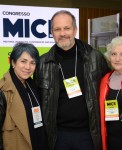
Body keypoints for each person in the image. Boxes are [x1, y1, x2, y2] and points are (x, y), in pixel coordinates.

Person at [34, 10, 110, 150]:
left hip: (89, 134)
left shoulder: (95, 57)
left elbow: (109, 89)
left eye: (67, 28)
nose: (62, 33)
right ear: (52, 32)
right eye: (57, 29)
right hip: (57, 136)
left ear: (75, 30)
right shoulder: (42, 63)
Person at [0, 42, 48, 150]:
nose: (28, 67)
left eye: (32, 63)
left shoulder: (33, 86)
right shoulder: (3, 90)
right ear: (13, 62)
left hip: (37, 142)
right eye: (23, 61)